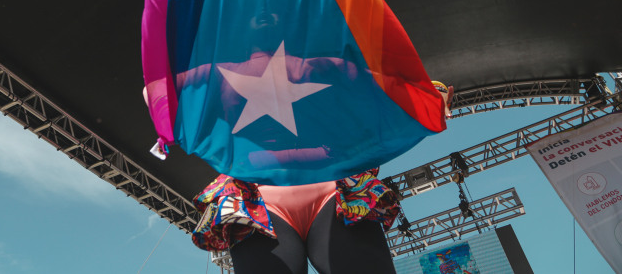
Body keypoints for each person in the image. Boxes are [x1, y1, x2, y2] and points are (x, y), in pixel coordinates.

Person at [189, 84, 454, 274]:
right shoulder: (220, 61)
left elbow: (374, 96)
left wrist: (426, 101)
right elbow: (159, 92)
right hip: (258, 204)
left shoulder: (321, 54)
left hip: (334, 193)